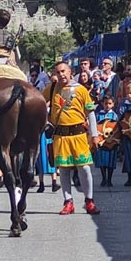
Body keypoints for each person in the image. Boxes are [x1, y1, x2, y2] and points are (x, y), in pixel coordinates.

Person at [43, 62, 100, 215]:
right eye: (58, 72)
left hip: (79, 135)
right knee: (64, 170)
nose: (61, 74)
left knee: (85, 168)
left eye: (63, 71)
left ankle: (89, 201)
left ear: (70, 72)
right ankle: (68, 202)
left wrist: (94, 135)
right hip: (60, 136)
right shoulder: (52, 89)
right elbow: (39, 103)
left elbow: (91, 113)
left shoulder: (81, 90)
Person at [95, 96, 119, 187]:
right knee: (102, 161)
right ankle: (103, 178)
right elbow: (96, 126)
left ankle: (109, 179)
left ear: (113, 104)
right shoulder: (99, 114)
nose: (107, 106)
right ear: (102, 104)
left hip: (112, 142)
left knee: (110, 161)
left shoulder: (114, 115)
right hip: (102, 142)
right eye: (106, 103)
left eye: (109, 103)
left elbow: (117, 128)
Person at [118, 82, 131, 186]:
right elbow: (120, 118)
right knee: (128, 157)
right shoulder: (123, 105)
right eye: (128, 93)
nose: (130, 95)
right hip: (127, 135)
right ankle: (129, 178)